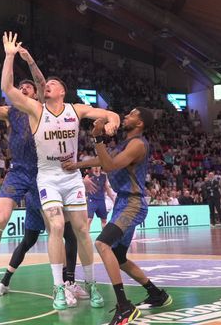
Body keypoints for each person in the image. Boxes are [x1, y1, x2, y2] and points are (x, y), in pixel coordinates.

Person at [1, 32, 120, 310]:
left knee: (81, 230)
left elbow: (108, 114)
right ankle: (58, 287)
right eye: (47, 83)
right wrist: (9, 56)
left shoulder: (75, 109)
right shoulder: (35, 109)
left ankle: (90, 284)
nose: (48, 85)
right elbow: (7, 87)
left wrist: (113, 121)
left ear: (62, 91)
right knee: (55, 226)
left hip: (71, 178)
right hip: (47, 177)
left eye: (53, 83)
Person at [0, 50, 84, 305]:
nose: (26, 88)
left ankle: (63, 284)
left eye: (30, 86)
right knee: (0, 220)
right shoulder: (11, 112)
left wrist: (29, 60)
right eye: (22, 87)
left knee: (58, 229)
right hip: (19, 172)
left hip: (44, 173)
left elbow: (41, 82)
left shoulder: (42, 109)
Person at [63, 107, 171, 325]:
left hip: (132, 203)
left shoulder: (138, 144)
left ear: (139, 123)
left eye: (132, 114)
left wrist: (98, 137)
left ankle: (124, 307)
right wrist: (77, 165)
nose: (126, 116)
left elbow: (110, 165)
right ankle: (157, 294)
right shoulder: (125, 143)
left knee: (102, 243)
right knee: (118, 256)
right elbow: (103, 160)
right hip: (123, 202)